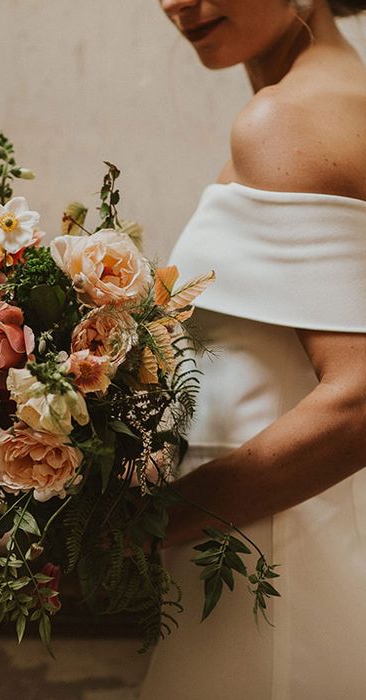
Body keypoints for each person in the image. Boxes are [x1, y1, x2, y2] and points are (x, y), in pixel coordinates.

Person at [139, 1, 366, 698]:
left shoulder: (284, 121)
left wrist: (145, 527)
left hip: (271, 576)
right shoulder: (343, 96)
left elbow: (359, 402)